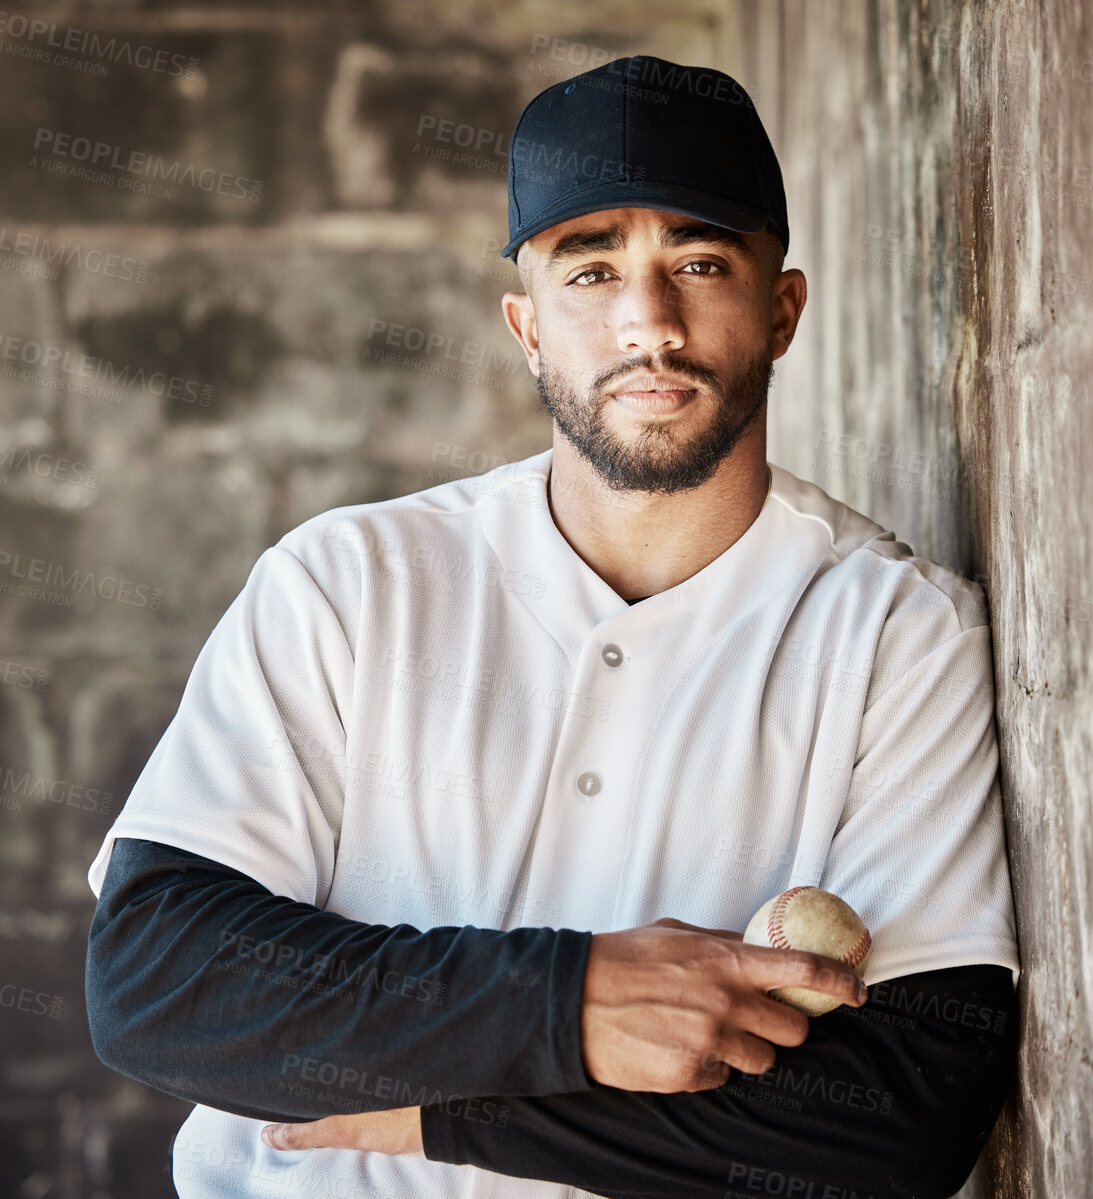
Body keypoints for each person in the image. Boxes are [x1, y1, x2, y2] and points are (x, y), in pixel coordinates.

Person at [85, 55, 1018, 1198]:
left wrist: (435, 1105)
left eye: (699, 261)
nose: (649, 323)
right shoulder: (347, 581)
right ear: (526, 327)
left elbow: (896, 1118)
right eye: (590, 271)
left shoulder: (894, 634)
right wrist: (568, 1002)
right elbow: (157, 983)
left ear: (780, 311)